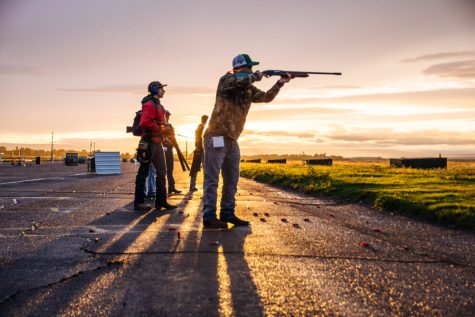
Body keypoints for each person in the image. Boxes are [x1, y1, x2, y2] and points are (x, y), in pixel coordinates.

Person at [202, 54, 292, 228]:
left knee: (232, 179)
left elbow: (266, 97)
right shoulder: (226, 79)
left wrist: (280, 83)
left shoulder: (249, 88)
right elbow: (238, 82)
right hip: (216, 135)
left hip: (232, 138)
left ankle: (227, 213)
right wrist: (256, 76)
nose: (252, 70)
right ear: (241, 68)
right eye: (249, 67)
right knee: (212, 179)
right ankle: (209, 216)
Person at [133, 81, 177, 211]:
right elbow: (144, 123)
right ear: (155, 90)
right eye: (161, 89)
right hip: (148, 143)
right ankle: (139, 202)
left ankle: (161, 202)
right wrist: (160, 129)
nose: (163, 91)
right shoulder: (149, 104)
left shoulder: (158, 105)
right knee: (143, 172)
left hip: (157, 143)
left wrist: (163, 133)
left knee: (162, 172)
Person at [163, 110, 182, 196]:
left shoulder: (170, 126)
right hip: (162, 149)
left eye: (168, 115)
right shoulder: (160, 124)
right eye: (166, 115)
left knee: (170, 169)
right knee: (162, 171)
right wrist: (166, 139)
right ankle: (162, 190)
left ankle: (171, 187)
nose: (168, 116)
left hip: (170, 149)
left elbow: (173, 137)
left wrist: (176, 146)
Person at [189, 115, 209, 191]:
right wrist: (198, 147)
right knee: (197, 168)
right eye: (205, 119)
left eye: (206, 119)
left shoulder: (203, 128)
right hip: (200, 150)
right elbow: (198, 138)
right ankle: (194, 186)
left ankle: (195, 186)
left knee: (197, 169)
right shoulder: (201, 128)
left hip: (203, 150)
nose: (205, 121)